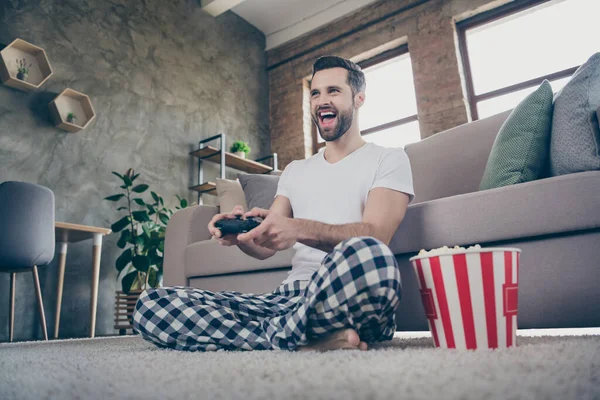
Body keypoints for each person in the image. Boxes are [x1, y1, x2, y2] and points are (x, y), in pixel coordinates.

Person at [133, 55, 415, 352]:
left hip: (345, 293)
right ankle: (306, 338)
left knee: (370, 254)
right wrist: (243, 236)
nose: (322, 101)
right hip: (288, 300)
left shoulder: (388, 158)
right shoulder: (296, 171)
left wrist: (297, 228)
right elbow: (265, 246)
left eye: (333, 91)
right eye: (315, 93)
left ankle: (282, 335)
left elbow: (376, 236)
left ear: (358, 99)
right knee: (152, 305)